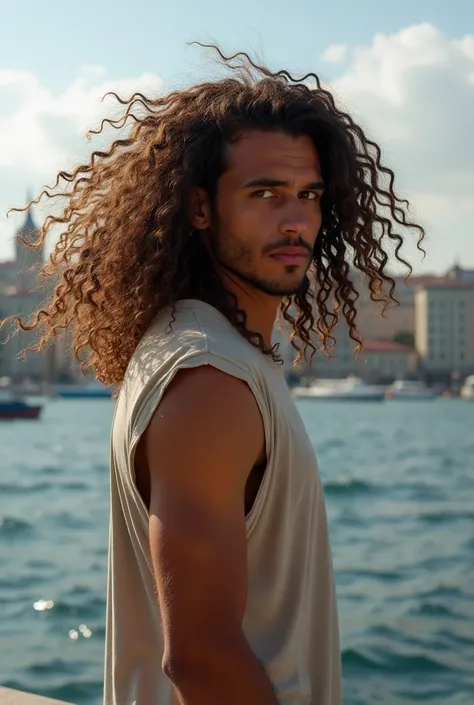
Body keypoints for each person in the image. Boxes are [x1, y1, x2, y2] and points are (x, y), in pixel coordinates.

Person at [6, 46, 424, 704]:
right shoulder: (209, 376)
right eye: (264, 195)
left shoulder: (200, 348)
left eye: (309, 195)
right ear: (200, 208)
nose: (296, 220)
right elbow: (200, 658)